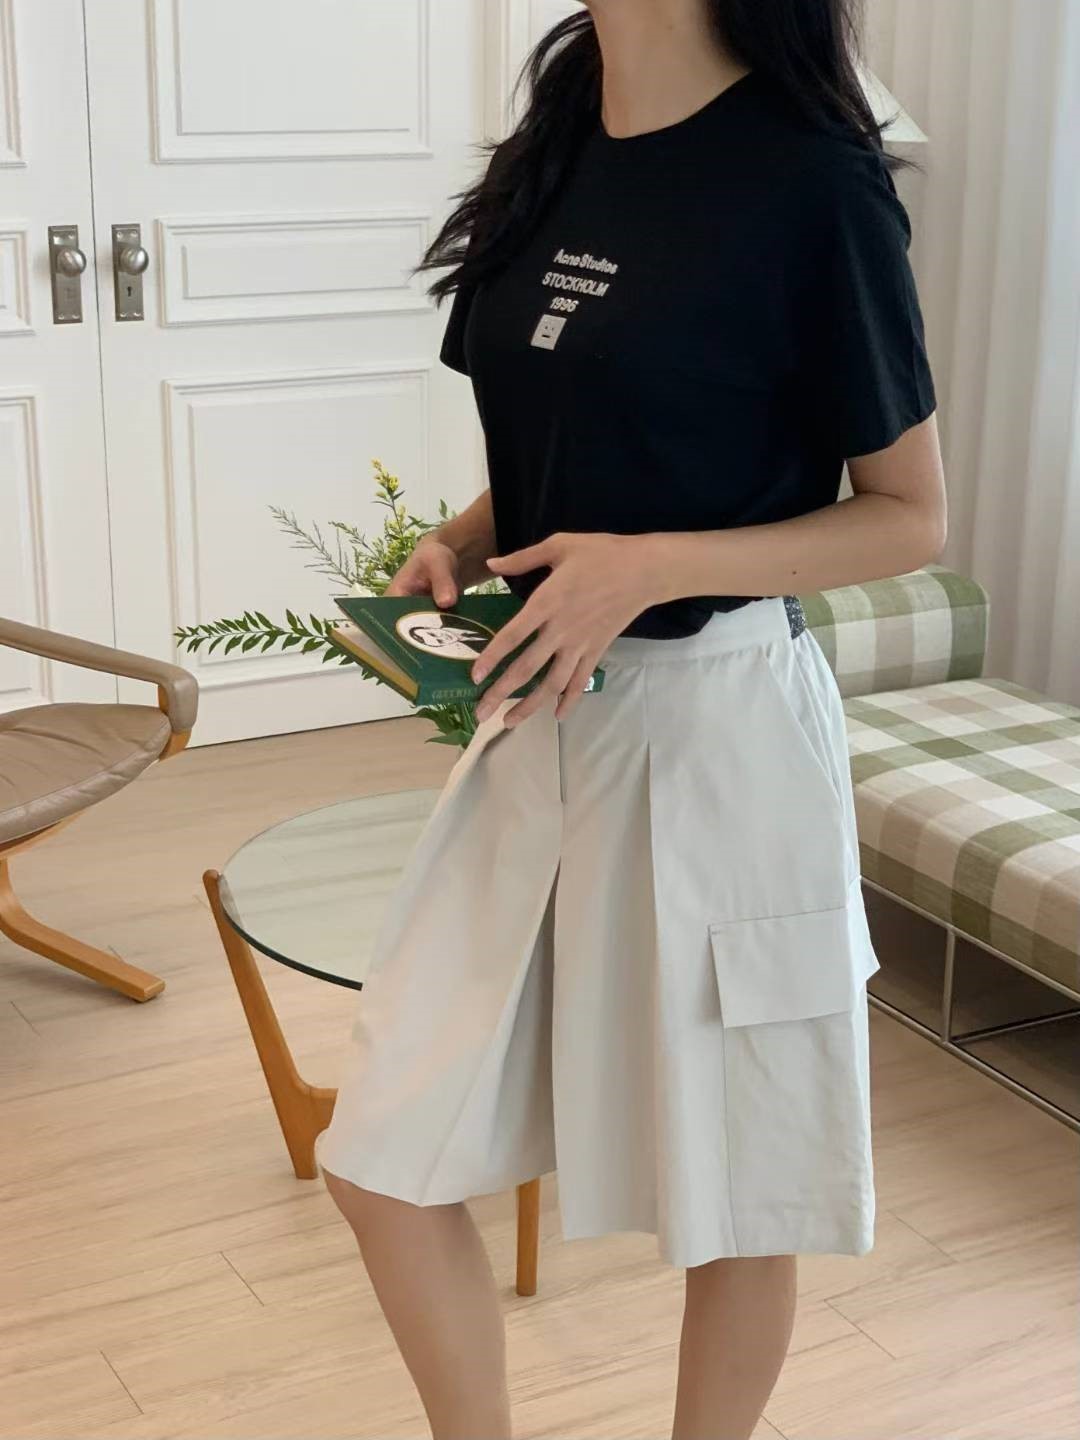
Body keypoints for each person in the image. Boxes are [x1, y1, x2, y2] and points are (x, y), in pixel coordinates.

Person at [316, 2, 947, 1436]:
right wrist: (468, 537)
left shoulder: (815, 181)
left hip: (719, 735)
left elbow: (909, 517)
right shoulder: (560, 138)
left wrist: (648, 568)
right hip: (540, 713)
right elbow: (586, 422)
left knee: (742, 1196)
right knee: (382, 1156)